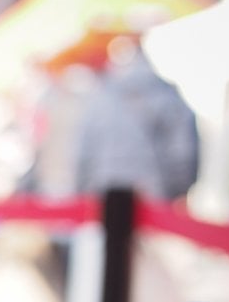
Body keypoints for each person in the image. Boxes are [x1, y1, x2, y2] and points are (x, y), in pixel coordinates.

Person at [73, 34, 199, 202]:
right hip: (155, 195)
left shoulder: (100, 97)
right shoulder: (168, 95)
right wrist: (176, 190)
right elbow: (183, 153)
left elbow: (84, 153)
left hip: (104, 195)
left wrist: (84, 189)